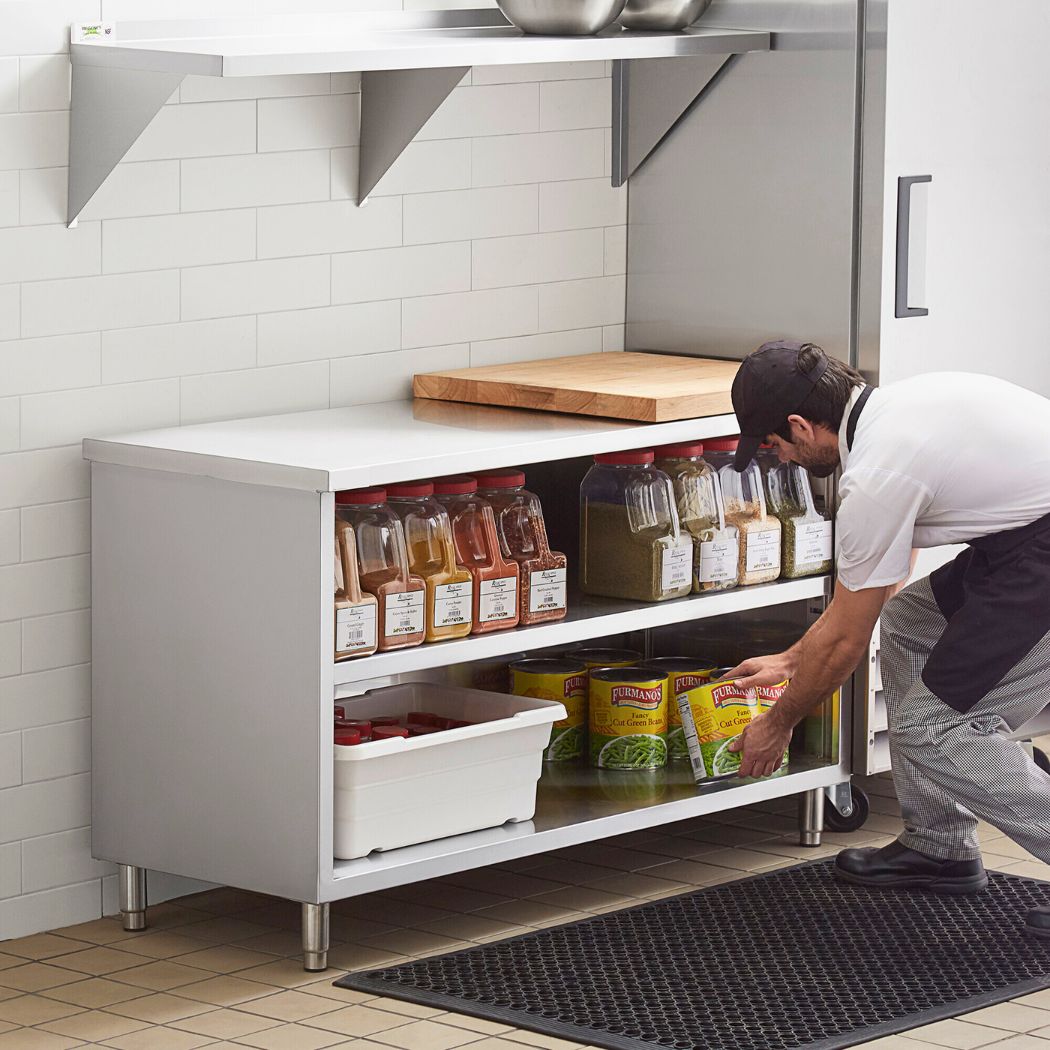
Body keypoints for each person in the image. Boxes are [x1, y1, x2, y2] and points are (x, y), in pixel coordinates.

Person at [723, 340, 1050, 932]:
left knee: (939, 731)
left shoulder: (876, 476)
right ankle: (939, 845)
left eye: (773, 445)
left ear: (801, 425)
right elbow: (877, 592)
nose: (781, 461)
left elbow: (848, 643)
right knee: (912, 623)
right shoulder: (901, 410)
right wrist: (792, 659)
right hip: (1022, 541)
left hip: (1039, 551)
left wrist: (777, 725)